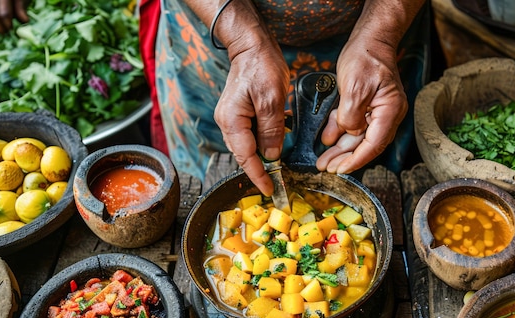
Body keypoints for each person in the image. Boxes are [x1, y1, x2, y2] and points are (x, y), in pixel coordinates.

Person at [153, 0, 430, 196]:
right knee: (215, 181)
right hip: (216, 39)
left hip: (381, 34)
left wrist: (381, 37)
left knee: (374, 174)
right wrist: (242, 45)